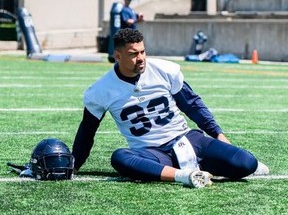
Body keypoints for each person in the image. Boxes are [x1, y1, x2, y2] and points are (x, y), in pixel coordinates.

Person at [72, 28, 269, 188]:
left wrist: (217, 134)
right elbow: (87, 132)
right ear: (117, 55)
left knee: (247, 163)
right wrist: (74, 166)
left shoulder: (164, 70)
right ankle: (184, 176)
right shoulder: (100, 90)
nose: (140, 58)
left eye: (142, 51)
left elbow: (192, 104)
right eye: (133, 54)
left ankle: (200, 166)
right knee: (120, 158)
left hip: (189, 139)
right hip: (151, 153)